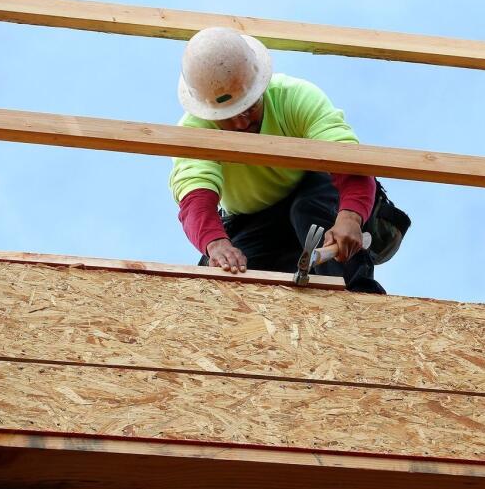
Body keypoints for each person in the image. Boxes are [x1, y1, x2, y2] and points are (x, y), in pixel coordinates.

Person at [168, 27, 408, 293]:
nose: (241, 122)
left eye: (249, 108)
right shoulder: (194, 131)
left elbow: (349, 163)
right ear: (208, 110)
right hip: (253, 219)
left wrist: (350, 218)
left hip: (317, 193)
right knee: (228, 277)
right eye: (228, 115)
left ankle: (356, 296)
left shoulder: (294, 96)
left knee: (306, 209)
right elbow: (196, 199)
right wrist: (216, 244)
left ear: (260, 90)